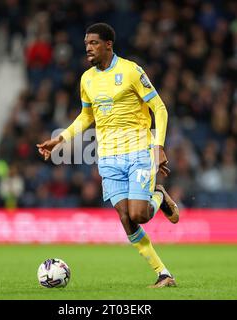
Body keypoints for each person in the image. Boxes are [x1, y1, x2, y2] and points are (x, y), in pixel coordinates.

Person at [37, 23, 179, 288]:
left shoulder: (131, 71)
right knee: (125, 218)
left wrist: (158, 146)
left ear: (108, 45)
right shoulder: (86, 79)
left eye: (93, 43)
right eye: (86, 43)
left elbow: (159, 108)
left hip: (139, 150)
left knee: (139, 214)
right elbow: (86, 116)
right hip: (108, 157)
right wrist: (60, 139)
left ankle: (159, 195)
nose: (88, 48)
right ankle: (163, 274)